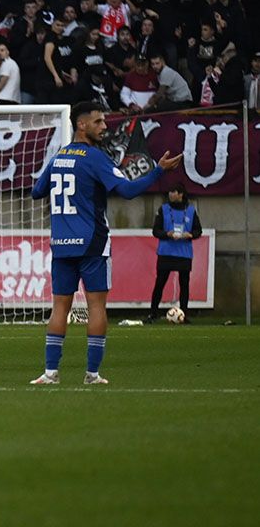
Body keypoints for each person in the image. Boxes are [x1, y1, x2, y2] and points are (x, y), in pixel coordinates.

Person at [29, 102, 182, 385]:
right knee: (96, 306)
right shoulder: (95, 158)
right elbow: (126, 190)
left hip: (62, 243)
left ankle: (50, 373)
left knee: (59, 306)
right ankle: (92, 374)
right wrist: (158, 171)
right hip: (91, 243)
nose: (104, 126)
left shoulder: (59, 156)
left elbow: (36, 191)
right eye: (98, 122)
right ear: (82, 125)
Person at [146, 185, 202, 324]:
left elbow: (198, 230)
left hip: (184, 253)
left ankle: (184, 313)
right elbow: (155, 231)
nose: (170, 194)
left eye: (173, 192)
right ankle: (153, 313)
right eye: (170, 191)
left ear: (181, 194)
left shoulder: (190, 210)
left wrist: (190, 235)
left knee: (184, 284)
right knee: (160, 283)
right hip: (166, 251)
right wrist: (167, 234)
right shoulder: (163, 209)